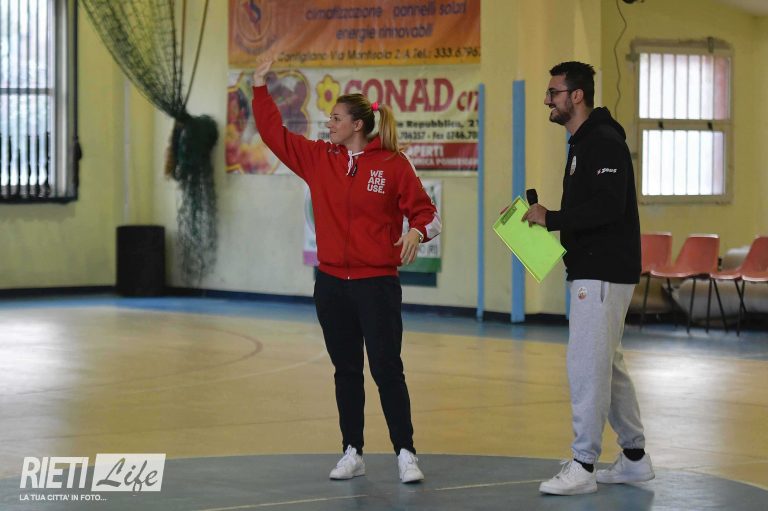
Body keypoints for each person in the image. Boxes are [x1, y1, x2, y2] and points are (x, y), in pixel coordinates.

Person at [251, 60, 441, 484]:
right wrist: (260, 86)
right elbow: (273, 134)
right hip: (332, 285)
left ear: (357, 124)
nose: (329, 124)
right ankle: (352, 451)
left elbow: (428, 214)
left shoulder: (393, 164)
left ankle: (406, 452)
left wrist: (416, 231)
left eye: (336, 118)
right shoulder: (319, 159)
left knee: (386, 369)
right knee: (346, 371)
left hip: (377, 285)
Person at [522, 61, 654, 495]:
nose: (547, 100)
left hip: (602, 273)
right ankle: (634, 457)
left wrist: (553, 218)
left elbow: (609, 206)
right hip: (593, 270)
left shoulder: (603, 141)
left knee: (586, 367)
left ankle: (583, 464)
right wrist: (548, 221)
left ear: (576, 95)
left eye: (554, 92)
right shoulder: (582, 142)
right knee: (608, 366)